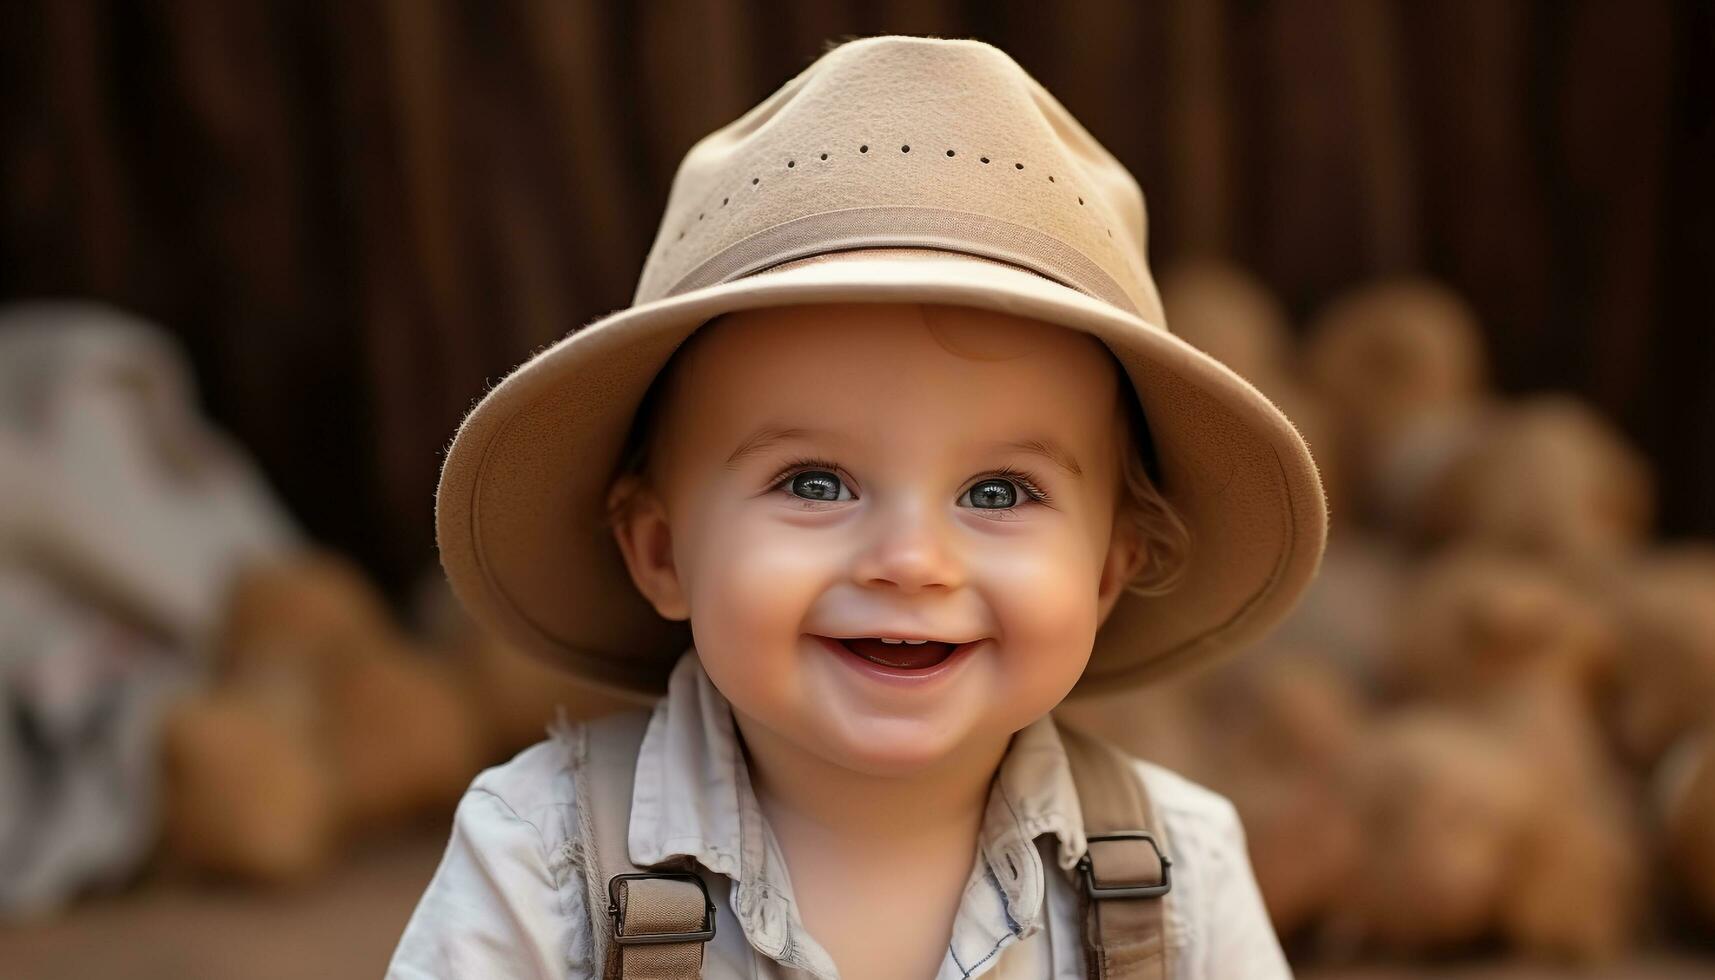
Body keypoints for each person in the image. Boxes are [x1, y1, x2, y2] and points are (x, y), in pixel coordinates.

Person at [389, 34, 1326, 980]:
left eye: (998, 492)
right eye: (813, 482)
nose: (910, 558)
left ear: (1108, 570)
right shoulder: (541, 862)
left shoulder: (1176, 874)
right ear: (663, 552)